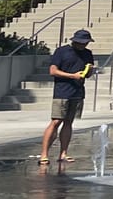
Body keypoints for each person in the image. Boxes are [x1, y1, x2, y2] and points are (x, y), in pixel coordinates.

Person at [38, 29, 97, 167]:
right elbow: (53, 71)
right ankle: (44, 154)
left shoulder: (87, 54)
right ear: (74, 41)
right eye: (82, 43)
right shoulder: (62, 51)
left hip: (77, 92)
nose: (84, 46)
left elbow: (87, 73)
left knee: (69, 122)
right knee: (56, 121)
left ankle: (63, 153)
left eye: (86, 43)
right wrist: (72, 76)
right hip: (62, 92)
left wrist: (88, 72)